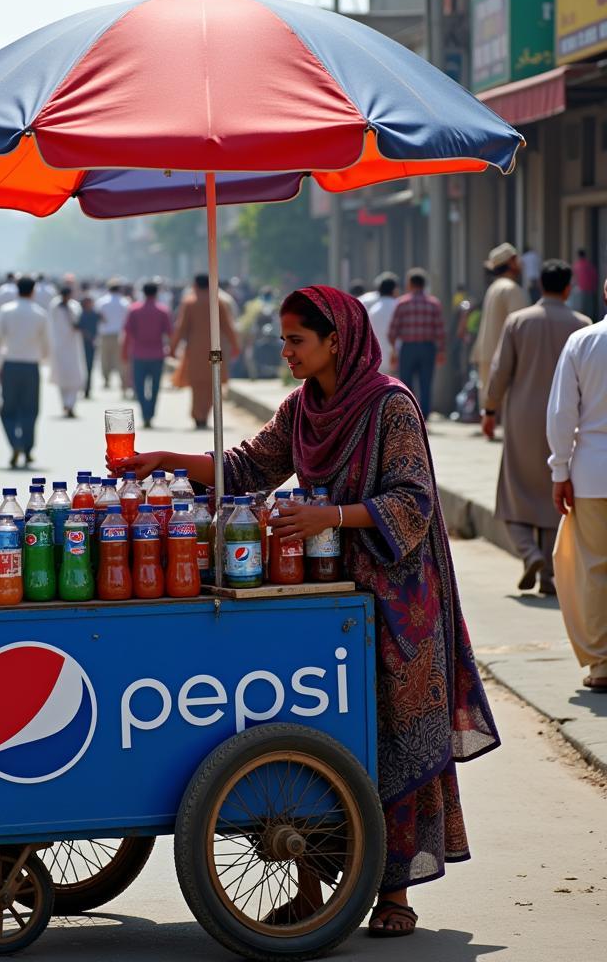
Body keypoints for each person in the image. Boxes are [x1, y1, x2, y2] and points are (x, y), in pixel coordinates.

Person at [115, 285, 499, 937]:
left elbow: (413, 501)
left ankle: (394, 895)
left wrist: (330, 515)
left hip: (395, 601)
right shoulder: (300, 410)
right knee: (314, 736)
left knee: (388, 739)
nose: (285, 351)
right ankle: (315, 886)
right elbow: (247, 466)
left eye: (296, 340)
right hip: (320, 594)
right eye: (283, 340)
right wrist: (164, 458)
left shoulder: (390, 406)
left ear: (336, 341)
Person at [481, 260, 590, 596]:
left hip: (522, 417)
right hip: (567, 418)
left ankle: (528, 553)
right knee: (551, 494)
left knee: (513, 489)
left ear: (539, 286)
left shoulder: (519, 321)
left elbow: (500, 372)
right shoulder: (581, 324)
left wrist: (489, 409)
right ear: (569, 288)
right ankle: (547, 574)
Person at [548, 275, 607, 693]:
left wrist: (560, 470)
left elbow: (562, 414)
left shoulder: (583, 342)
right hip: (588, 473)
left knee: (593, 569)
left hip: (592, 473)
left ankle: (602, 664)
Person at [0, 276, 49, 468]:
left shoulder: (6, 311)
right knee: (30, 410)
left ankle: (15, 444)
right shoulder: (40, 313)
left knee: (8, 410)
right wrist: (43, 359)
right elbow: (47, 344)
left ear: (17, 289)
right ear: (33, 291)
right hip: (31, 365)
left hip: (11, 365)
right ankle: (27, 447)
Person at [170, 273, 239, 429]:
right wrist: (235, 346)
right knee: (212, 382)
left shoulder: (189, 302)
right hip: (215, 349)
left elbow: (181, 328)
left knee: (197, 384)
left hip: (194, 350)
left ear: (195, 285)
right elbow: (228, 326)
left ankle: (198, 415)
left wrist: (173, 348)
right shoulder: (217, 302)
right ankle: (205, 414)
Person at [387, 268, 446, 418]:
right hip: (428, 347)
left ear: (410, 284)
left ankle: (409, 413)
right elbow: (440, 330)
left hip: (408, 348)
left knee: (406, 383)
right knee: (426, 383)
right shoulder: (434, 304)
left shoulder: (402, 303)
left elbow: (393, 331)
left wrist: (394, 350)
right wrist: (441, 351)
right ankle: (424, 415)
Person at [474, 243, 528, 404]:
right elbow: (521, 326)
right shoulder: (511, 289)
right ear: (511, 262)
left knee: (489, 408)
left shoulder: (494, 287)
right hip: (504, 357)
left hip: (487, 352)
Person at [122, 280, 173, 428]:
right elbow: (170, 333)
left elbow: (127, 334)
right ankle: (150, 413)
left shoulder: (134, 310)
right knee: (155, 387)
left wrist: (124, 352)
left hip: (138, 354)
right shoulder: (162, 311)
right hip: (157, 354)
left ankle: (145, 413)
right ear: (157, 293)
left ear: (143, 292)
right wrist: (172, 350)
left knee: (139, 386)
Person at [47, 286, 86, 418]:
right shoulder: (55, 306)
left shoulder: (74, 307)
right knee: (61, 377)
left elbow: (78, 323)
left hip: (73, 347)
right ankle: (65, 403)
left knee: (75, 377)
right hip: (59, 346)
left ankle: (70, 404)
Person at [95, 281, 130, 390]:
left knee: (105, 359)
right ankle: (123, 382)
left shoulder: (102, 302)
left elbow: (98, 316)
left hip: (105, 333)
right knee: (121, 360)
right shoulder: (125, 302)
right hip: (120, 334)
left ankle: (106, 380)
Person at [367, 275, 400, 374]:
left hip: (378, 359)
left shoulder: (373, 310)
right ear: (394, 290)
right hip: (397, 357)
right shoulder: (398, 306)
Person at [78, 294, 100, 398]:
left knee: (90, 367)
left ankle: (87, 389)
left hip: (91, 345)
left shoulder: (94, 314)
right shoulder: (80, 314)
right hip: (80, 345)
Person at [570, 248, 600, 322]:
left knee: (580, 308)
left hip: (580, 289)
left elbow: (573, 278)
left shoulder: (576, 265)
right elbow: (595, 277)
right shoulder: (589, 265)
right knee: (589, 309)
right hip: (590, 289)